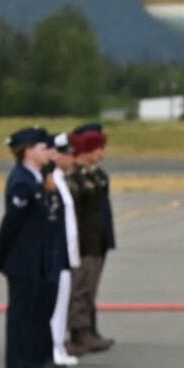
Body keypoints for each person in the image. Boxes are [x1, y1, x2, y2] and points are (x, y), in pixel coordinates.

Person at [0, 127, 63, 368]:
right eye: (43, 148)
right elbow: (12, 223)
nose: (48, 152)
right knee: (21, 317)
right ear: (28, 151)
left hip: (38, 257)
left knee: (35, 314)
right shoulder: (21, 181)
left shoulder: (36, 178)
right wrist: (0, 258)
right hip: (23, 259)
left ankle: (33, 363)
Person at [67, 129, 114, 354]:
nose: (101, 154)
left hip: (95, 241)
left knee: (89, 289)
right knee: (80, 289)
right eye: (97, 149)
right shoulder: (74, 177)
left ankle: (85, 330)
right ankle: (77, 332)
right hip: (83, 243)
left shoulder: (93, 175)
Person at [49, 133, 82, 368]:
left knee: (61, 304)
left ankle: (58, 347)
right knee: (54, 306)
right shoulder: (51, 181)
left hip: (65, 253)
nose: (72, 158)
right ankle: (52, 348)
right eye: (67, 154)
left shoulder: (60, 179)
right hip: (55, 253)